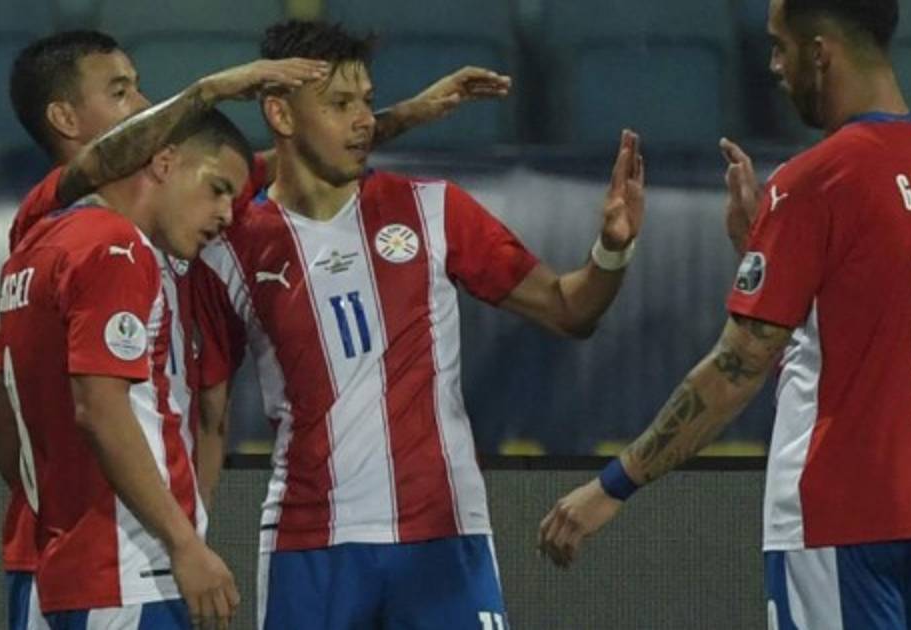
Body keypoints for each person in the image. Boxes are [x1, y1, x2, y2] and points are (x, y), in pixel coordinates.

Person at [0, 29, 515, 630]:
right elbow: (99, 408)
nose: (145, 105)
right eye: (120, 92)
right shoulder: (87, 232)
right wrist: (210, 90)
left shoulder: (78, 236)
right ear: (64, 118)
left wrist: (407, 115)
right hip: (119, 565)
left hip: (55, 561)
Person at [537, 1, 911, 629]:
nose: (774, 65)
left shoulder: (817, 180)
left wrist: (612, 486)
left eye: (781, 46)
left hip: (832, 513)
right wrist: (763, 248)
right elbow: (857, 335)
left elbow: (739, 364)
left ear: (821, 52)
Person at [191, 19, 644, 630]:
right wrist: (190, 542)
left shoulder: (432, 208)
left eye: (368, 102)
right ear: (280, 113)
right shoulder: (233, 247)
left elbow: (571, 311)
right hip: (311, 544)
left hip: (445, 534)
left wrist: (612, 249)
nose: (363, 121)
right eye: (340, 105)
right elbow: (208, 416)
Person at [0, 109, 252, 629]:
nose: (226, 215)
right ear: (164, 162)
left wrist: (63, 512)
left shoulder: (32, 250)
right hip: (133, 575)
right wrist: (184, 543)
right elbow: (101, 411)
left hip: (58, 573)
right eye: (217, 189)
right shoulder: (118, 247)